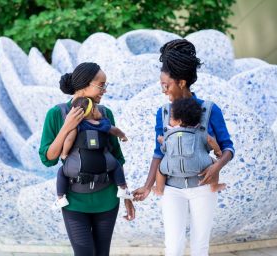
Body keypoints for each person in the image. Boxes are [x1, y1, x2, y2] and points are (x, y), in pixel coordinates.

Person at [133, 39, 234, 256]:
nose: (163, 90)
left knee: (200, 247)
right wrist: (147, 185)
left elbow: (228, 148)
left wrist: (217, 167)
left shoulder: (209, 109)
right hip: (171, 189)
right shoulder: (162, 113)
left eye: (166, 85)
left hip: (203, 188)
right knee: (174, 247)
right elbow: (159, 152)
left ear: (181, 82)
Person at [39, 62, 135, 256]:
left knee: (102, 253)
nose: (104, 90)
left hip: (107, 198)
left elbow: (117, 157)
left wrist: (126, 196)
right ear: (84, 85)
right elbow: (48, 159)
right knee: (84, 252)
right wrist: (67, 126)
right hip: (74, 200)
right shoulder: (57, 113)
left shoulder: (105, 113)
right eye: (101, 85)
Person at [53, 96, 132, 209]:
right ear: (93, 111)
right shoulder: (103, 124)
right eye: (97, 109)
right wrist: (123, 136)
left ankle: (61, 198)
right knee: (117, 165)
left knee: (61, 172)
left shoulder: (77, 126)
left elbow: (69, 140)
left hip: (80, 165)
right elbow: (116, 130)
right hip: (104, 163)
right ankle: (122, 188)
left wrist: (64, 153)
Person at [153, 97, 225, 196]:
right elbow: (210, 140)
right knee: (215, 164)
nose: (169, 119)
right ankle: (214, 186)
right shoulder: (199, 131)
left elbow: (166, 147)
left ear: (179, 120)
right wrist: (218, 151)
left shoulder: (170, 133)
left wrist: (161, 140)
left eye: (171, 117)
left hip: (172, 167)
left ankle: (159, 189)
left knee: (160, 170)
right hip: (199, 166)